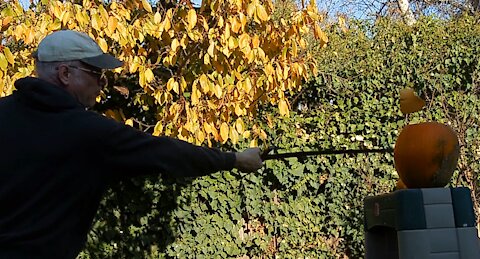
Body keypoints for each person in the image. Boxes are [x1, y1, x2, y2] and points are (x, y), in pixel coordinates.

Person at [0, 30, 263, 258]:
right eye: (97, 75)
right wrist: (236, 159)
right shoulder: (89, 132)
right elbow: (168, 154)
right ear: (65, 73)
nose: (102, 85)